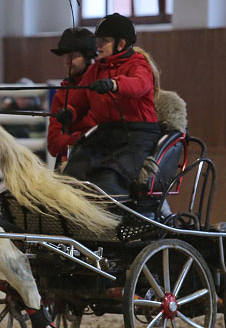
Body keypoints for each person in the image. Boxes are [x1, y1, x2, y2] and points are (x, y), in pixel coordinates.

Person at [59, 13, 161, 201]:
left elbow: (139, 85)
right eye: (98, 41)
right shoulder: (95, 70)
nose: (98, 46)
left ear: (120, 44)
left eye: (104, 41)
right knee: (74, 170)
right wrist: (70, 113)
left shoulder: (139, 64)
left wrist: (114, 84)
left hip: (137, 135)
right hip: (106, 133)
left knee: (110, 176)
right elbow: (79, 101)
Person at [47, 27, 99, 162]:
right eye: (66, 56)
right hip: (69, 161)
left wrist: (68, 138)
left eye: (74, 56)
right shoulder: (61, 93)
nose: (68, 61)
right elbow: (53, 144)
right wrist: (76, 139)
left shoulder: (99, 88)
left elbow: (99, 136)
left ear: (88, 58)